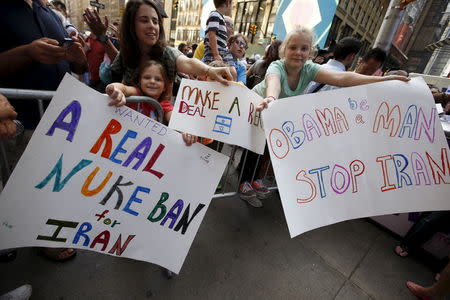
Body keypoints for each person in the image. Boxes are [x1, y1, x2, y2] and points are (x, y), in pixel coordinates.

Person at [255, 26, 409, 112]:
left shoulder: (309, 69)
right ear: (284, 50)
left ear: (310, 52)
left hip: (271, 116)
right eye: (293, 47)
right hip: (253, 108)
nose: (298, 53)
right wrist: (271, 99)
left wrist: (383, 80)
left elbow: (342, 78)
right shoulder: (277, 66)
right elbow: (273, 83)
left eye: (304, 48)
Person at [109, 0, 232, 89]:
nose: (152, 25)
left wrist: (210, 70)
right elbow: (112, 78)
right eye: (144, 20)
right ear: (131, 25)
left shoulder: (167, 53)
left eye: (155, 21)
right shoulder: (125, 54)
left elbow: (188, 62)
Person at [106, 60, 197, 145]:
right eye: (147, 77)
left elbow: (175, 119)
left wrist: (185, 130)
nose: (152, 81)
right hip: (122, 142)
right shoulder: (136, 93)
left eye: (158, 79)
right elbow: (123, 88)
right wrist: (114, 89)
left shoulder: (163, 105)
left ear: (165, 86)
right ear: (139, 81)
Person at [202, 0, 234, 66]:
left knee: (231, 71)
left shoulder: (220, 17)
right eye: (232, 5)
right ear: (228, 3)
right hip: (215, 52)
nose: (232, 8)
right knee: (228, 71)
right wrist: (216, 54)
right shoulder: (215, 15)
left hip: (221, 52)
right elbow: (211, 34)